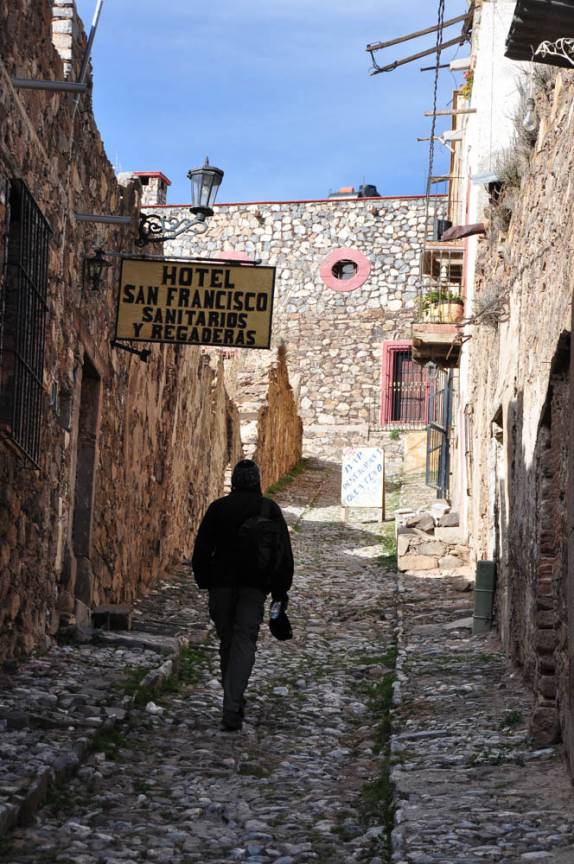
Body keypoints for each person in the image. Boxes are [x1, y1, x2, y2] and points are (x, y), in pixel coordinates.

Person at [191, 459, 294, 731]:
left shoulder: (218, 509)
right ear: (258, 480)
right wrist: (280, 591)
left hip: (221, 588)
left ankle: (232, 702)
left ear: (234, 481)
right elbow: (283, 553)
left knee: (228, 642)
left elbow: (202, 549)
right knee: (243, 643)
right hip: (254, 588)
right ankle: (232, 703)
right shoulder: (268, 509)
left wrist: (204, 580)